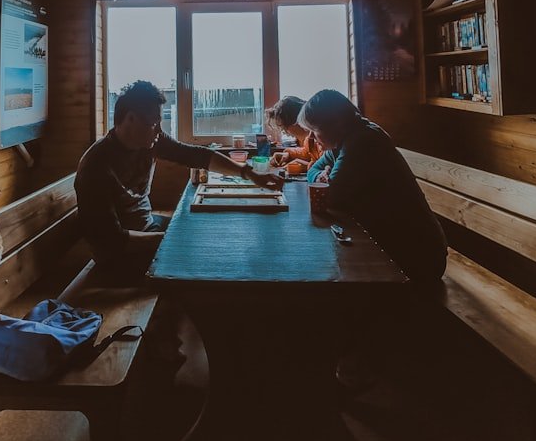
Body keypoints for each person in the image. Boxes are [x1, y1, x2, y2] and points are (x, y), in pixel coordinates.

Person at [75, 80, 282, 281]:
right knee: (199, 255)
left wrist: (249, 174)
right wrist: (169, 238)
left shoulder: (150, 141)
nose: (158, 130)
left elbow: (197, 156)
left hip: (147, 227)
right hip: (119, 258)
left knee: (203, 230)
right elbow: (111, 242)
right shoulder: (95, 167)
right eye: (154, 123)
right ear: (130, 118)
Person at [301, 89, 447, 288]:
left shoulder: (363, 141)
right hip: (395, 242)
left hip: (417, 255)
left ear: (334, 124)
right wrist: (321, 176)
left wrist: (325, 181)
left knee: (330, 270)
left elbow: (331, 197)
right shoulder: (347, 139)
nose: (311, 136)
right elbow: (314, 169)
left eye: (315, 130)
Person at [264, 95, 324, 175]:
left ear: (297, 120)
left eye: (284, 127)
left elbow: (327, 169)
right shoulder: (308, 139)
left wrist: (306, 166)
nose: (284, 132)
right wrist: (288, 154)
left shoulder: (324, 140)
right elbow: (306, 152)